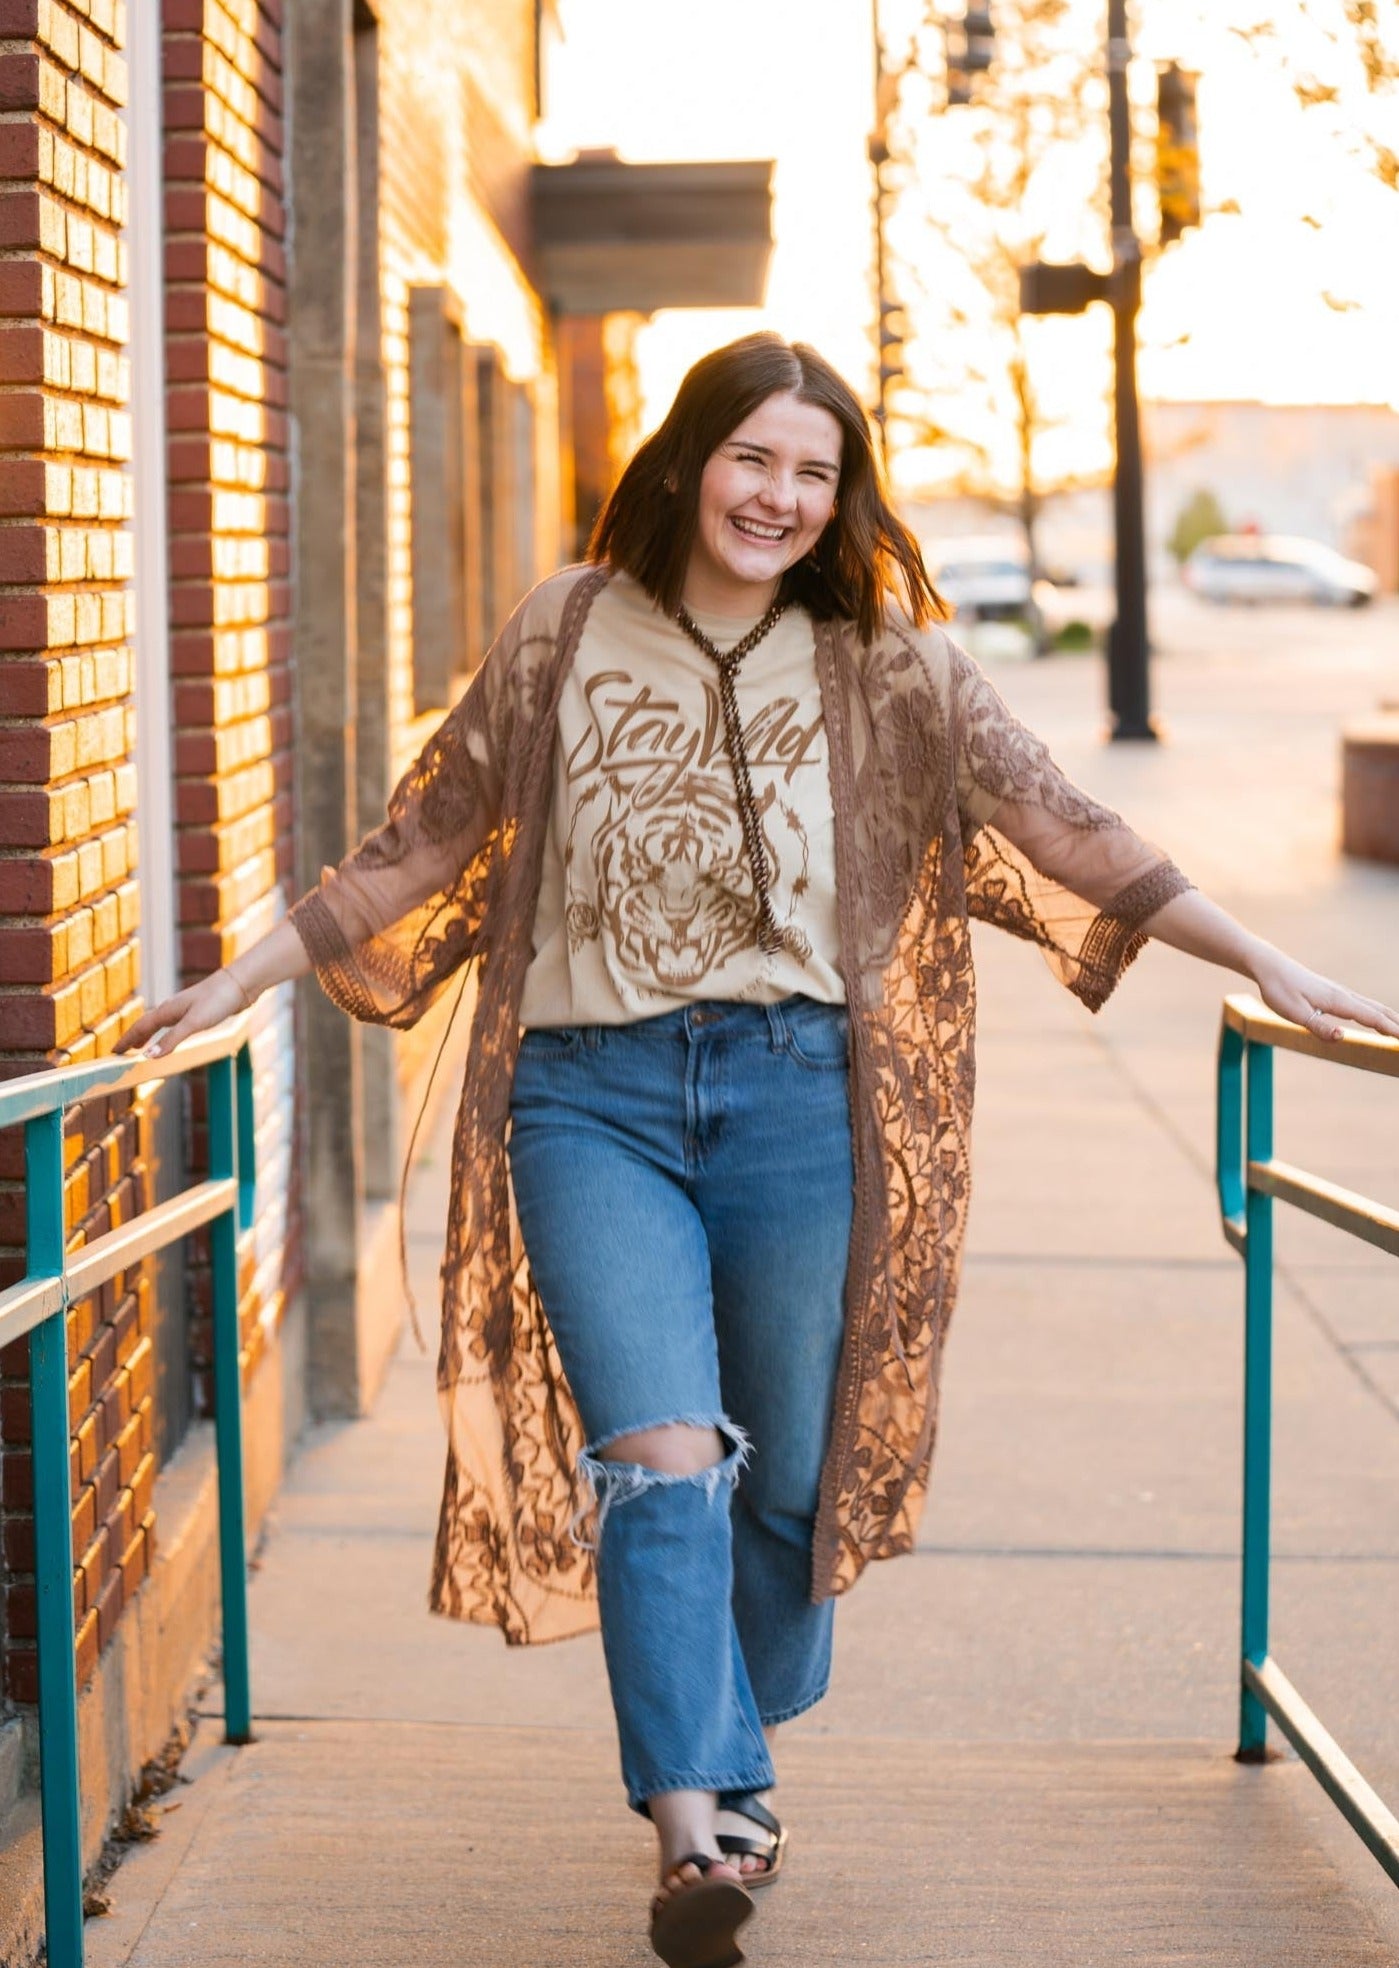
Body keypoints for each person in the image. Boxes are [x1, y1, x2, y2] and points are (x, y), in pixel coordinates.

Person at [117, 333, 1399, 1968]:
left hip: (804, 1100)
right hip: (591, 1102)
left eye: (815, 473)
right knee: (661, 1466)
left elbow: (1068, 827)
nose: (780, 498)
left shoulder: (891, 665)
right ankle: (695, 1825)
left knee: (784, 1476)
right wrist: (237, 981)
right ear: (685, 460)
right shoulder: (564, 631)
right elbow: (418, 841)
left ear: (840, 497)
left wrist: (1262, 960)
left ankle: (736, 1741)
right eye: (753, 460)